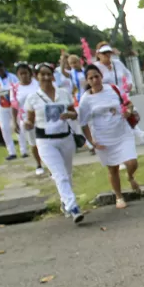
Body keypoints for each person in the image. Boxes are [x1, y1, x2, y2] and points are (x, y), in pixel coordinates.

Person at [23, 63, 84, 224]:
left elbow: (74, 112)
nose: (46, 77)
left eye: (48, 74)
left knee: (67, 174)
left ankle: (65, 202)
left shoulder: (63, 93)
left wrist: (69, 114)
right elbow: (29, 120)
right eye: (42, 74)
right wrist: (27, 125)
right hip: (45, 140)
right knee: (59, 174)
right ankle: (74, 207)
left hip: (65, 137)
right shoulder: (33, 98)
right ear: (37, 76)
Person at [78, 64, 140, 209]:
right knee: (113, 169)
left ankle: (130, 176)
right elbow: (83, 123)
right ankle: (119, 196)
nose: (95, 80)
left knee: (132, 162)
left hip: (122, 132)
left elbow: (128, 104)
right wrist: (92, 142)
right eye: (91, 78)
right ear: (87, 81)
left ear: (101, 76)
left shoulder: (113, 89)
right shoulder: (85, 100)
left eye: (96, 76)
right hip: (103, 137)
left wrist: (128, 112)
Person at [12, 63, 46, 176]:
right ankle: (39, 164)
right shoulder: (15, 88)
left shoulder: (37, 84)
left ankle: (49, 164)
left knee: (45, 141)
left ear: (30, 73)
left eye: (25, 73)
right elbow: (14, 106)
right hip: (26, 119)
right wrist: (15, 122)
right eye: (21, 74)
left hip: (41, 116)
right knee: (33, 142)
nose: (23, 76)